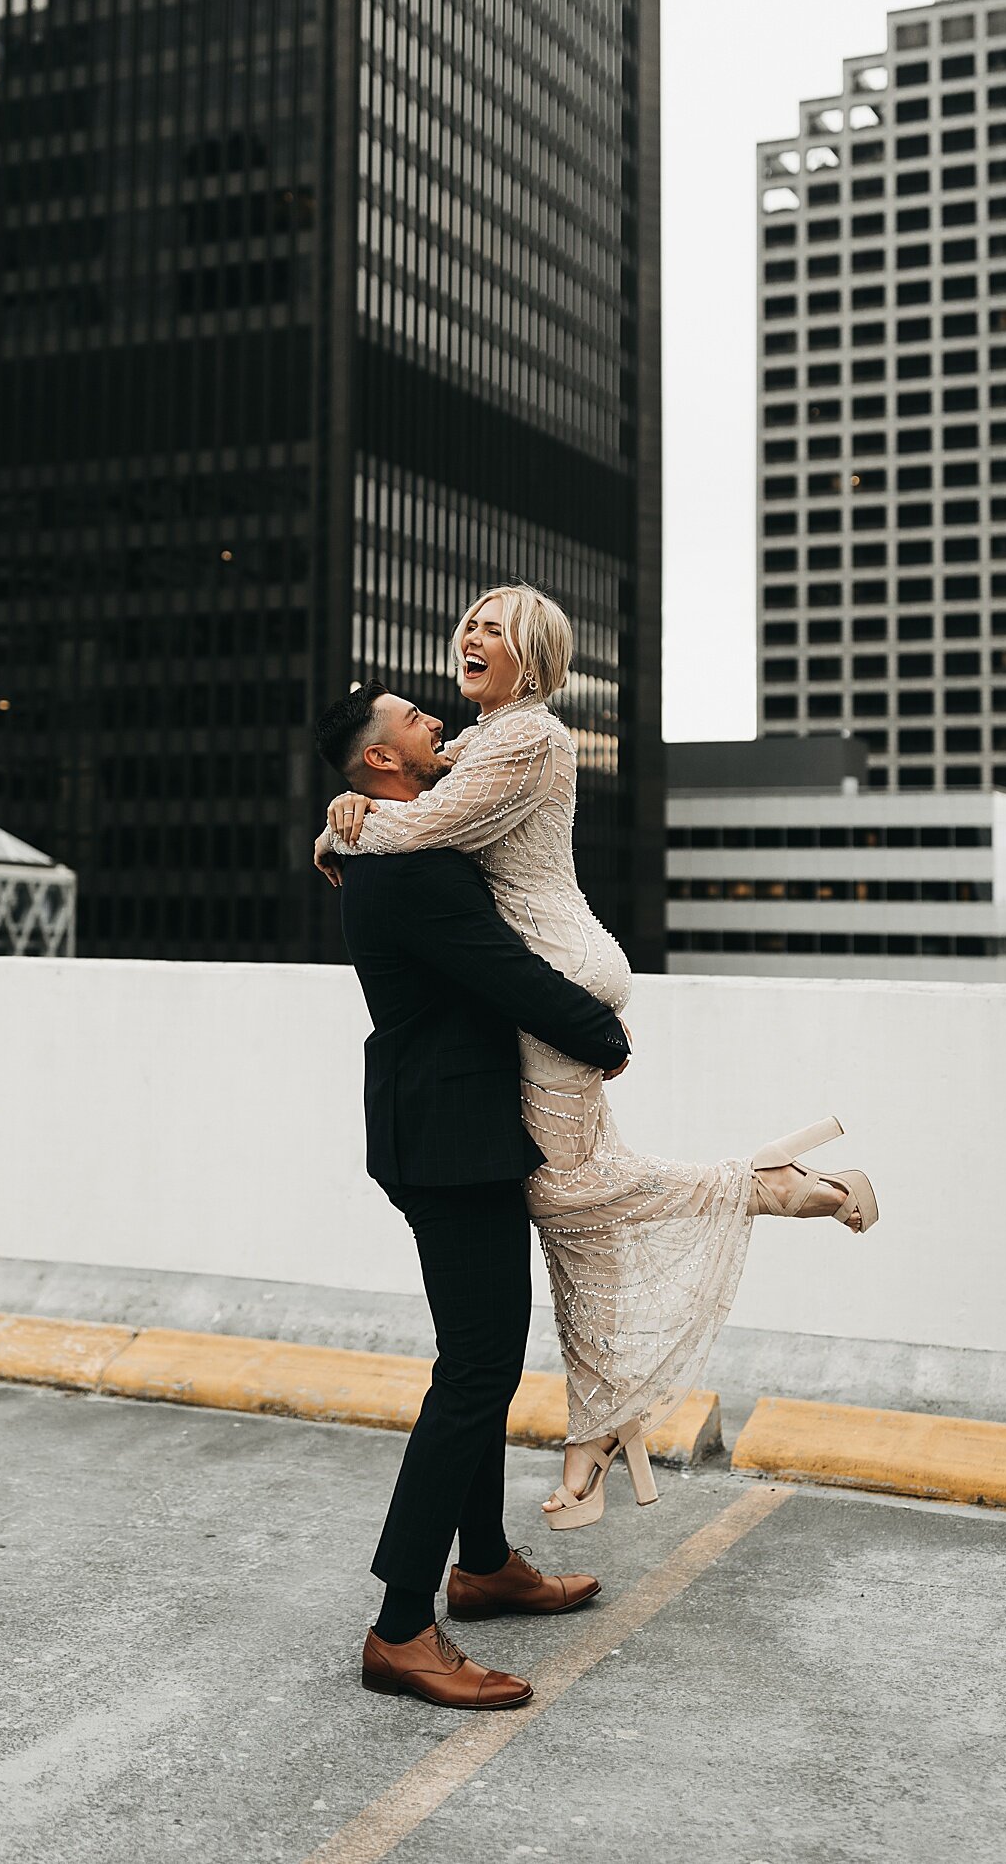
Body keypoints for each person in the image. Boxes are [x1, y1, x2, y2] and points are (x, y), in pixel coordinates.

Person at [316, 585, 879, 1530]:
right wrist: (345, 808)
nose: (471, 637)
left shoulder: (527, 738)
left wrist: (341, 825)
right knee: (577, 1200)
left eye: (495, 629)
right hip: (556, 972)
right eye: (470, 624)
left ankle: (766, 1188)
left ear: (531, 656)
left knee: (570, 1194)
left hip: (562, 973)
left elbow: (415, 825)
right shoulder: (482, 744)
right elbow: (410, 792)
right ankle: (595, 1437)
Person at [314, 678, 633, 1711]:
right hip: (448, 1140)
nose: (437, 722)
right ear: (381, 762)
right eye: (415, 720)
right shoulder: (403, 866)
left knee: (483, 1360)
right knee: (476, 1370)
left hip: (447, 1129)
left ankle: (487, 1564)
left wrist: (337, 822)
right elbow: (500, 969)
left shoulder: (390, 837)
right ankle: (402, 1626)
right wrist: (603, 1035)